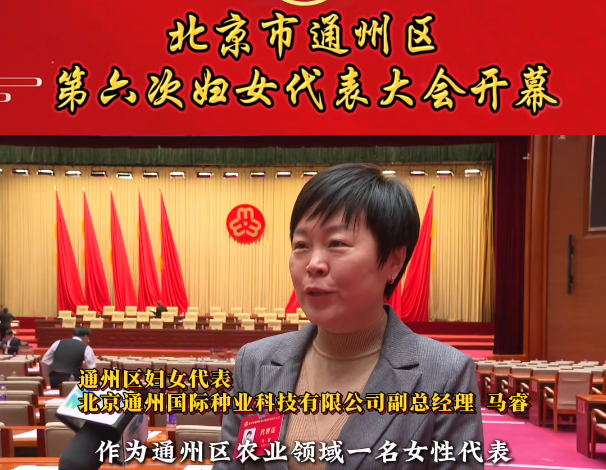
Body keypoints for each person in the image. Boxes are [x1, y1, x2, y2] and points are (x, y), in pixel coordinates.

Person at [215, 164, 484, 470]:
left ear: (394, 261)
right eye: (301, 245)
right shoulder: (256, 362)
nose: (313, 264)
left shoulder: (445, 375)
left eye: (337, 244)